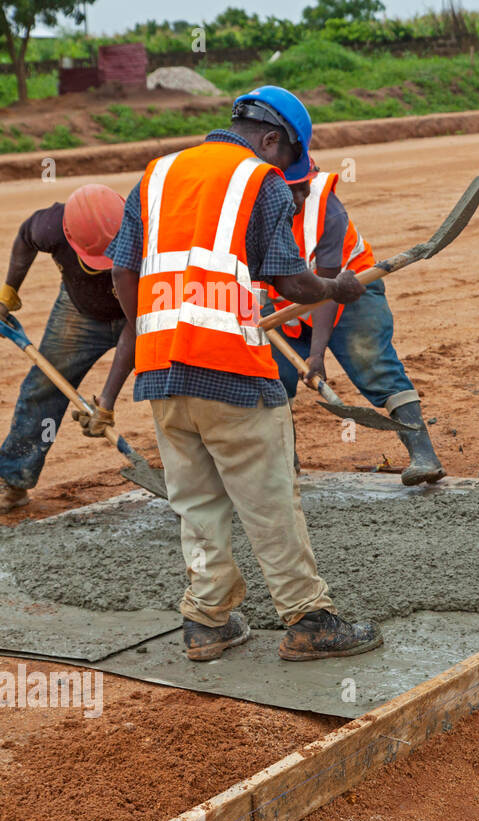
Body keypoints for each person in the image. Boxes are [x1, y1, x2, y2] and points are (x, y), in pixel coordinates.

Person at [103, 85, 381, 663]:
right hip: (230, 369)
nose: (284, 169)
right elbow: (292, 282)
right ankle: (308, 619)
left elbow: (121, 274)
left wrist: (155, 329)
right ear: (272, 138)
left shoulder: (155, 176)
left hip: (161, 373)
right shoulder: (261, 181)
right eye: (285, 158)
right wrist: (340, 287)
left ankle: (207, 621)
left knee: (197, 501)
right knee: (269, 495)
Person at [265, 159, 444, 485]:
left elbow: (328, 288)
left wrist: (316, 354)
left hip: (348, 289)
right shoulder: (248, 209)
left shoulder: (328, 210)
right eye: (295, 189)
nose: (302, 197)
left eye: (307, 185)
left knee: (371, 360)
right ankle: (282, 468)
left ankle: (423, 454)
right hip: (283, 303)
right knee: (272, 377)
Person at [0, 185, 126, 513]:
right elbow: (25, 238)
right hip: (80, 312)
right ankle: (14, 479)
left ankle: (192, 475)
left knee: (174, 386)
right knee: (43, 388)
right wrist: (8, 292)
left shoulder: (149, 229)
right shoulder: (50, 225)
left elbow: (138, 326)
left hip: (140, 313)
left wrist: (107, 403)